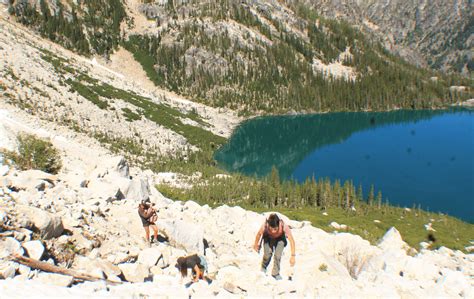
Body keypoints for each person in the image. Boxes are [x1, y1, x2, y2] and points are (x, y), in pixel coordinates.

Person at [253, 213, 295, 280]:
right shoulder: (265, 225)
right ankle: (263, 267)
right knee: (267, 254)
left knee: (277, 255)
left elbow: (292, 240)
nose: (273, 231)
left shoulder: (283, 226)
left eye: (275, 229)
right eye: (271, 229)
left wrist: (293, 256)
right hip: (268, 237)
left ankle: (275, 273)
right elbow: (259, 235)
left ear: (278, 224)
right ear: (268, 225)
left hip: (280, 238)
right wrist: (255, 245)